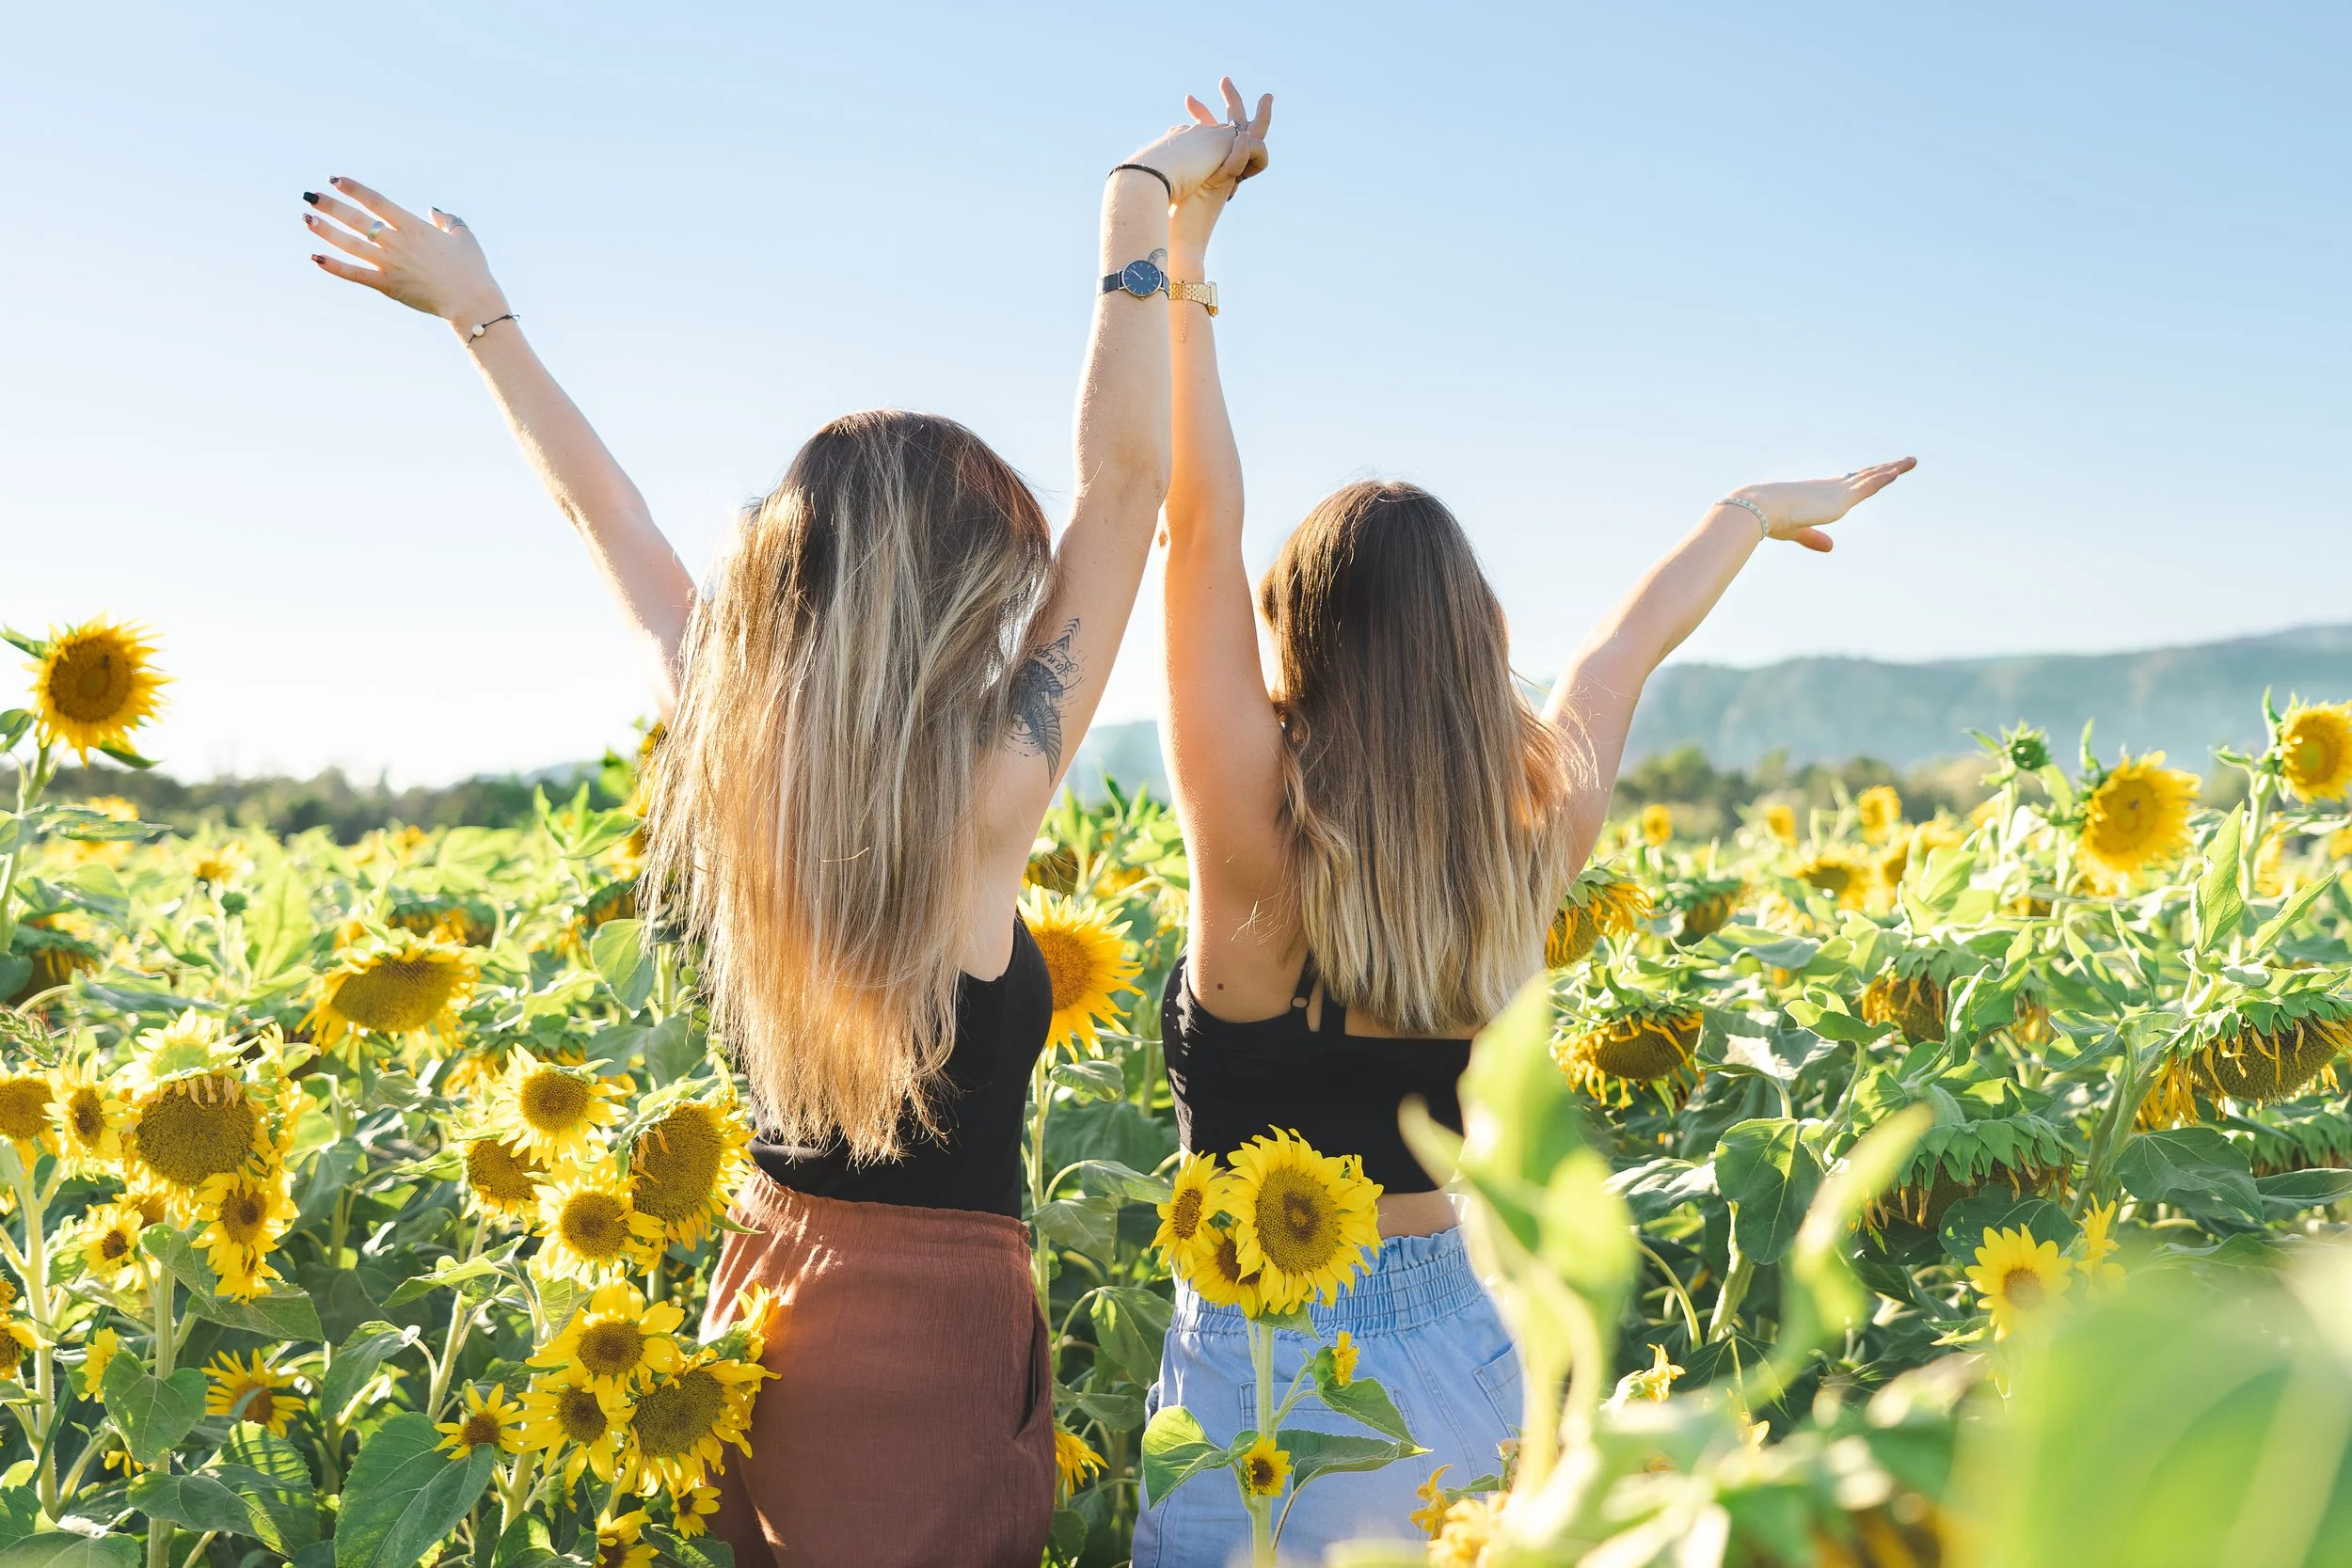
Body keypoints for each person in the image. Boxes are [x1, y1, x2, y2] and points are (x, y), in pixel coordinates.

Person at [303, 84, 1270, 1568]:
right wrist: (1139, 200)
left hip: (765, 1303)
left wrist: (479, 314)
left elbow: (603, 518)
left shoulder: (734, 748)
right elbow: (1126, 484)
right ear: (953, 599)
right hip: (938, 1340)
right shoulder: (988, 800)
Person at [1137, 96, 1912, 1560]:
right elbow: (1619, 657)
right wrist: (1744, 512)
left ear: (1295, 638)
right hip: (1476, 1347)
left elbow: (1194, 521)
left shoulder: (1247, 835)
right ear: (1472, 638)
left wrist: (1184, 250)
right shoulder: (1533, 821)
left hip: (1255, 1367)